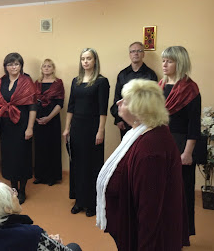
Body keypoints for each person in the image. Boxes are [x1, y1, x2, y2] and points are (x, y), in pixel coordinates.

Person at [96, 79, 189, 250]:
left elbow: (150, 210)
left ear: (138, 109)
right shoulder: (141, 132)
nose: (118, 102)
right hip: (128, 225)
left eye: (124, 100)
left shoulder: (151, 148)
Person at [62, 48, 109, 217]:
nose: (85, 61)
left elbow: (103, 109)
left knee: (92, 165)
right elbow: (71, 107)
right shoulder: (76, 81)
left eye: (89, 58)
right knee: (77, 164)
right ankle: (79, 200)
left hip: (93, 127)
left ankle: (91, 203)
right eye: (83, 59)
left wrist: (100, 131)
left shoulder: (101, 82)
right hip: (77, 127)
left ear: (95, 61)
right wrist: (67, 128)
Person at [160, 46, 201, 237]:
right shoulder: (160, 85)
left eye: (169, 61)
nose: (164, 64)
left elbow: (194, 125)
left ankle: (180, 233)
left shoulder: (190, 89)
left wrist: (187, 152)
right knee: (162, 190)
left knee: (181, 191)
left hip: (181, 144)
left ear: (180, 62)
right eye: (163, 61)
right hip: (161, 143)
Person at [0, 180, 82, 251]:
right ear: (8, 209)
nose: (16, 194)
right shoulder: (31, 234)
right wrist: (54, 244)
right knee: (74, 247)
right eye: (13, 193)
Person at [0, 53, 36, 204]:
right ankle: (13, 188)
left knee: (22, 157)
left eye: (16, 64)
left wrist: (30, 128)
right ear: (5, 67)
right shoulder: (0, 82)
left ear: (21, 65)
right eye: (10, 64)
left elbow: (32, 107)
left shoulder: (26, 81)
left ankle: (22, 190)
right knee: (9, 157)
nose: (13, 67)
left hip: (22, 124)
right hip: (6, 125)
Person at [110, 42, 158, 138]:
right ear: (129, 54)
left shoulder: (150, 74)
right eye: (133, 51)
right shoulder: (122, 74)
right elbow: (117, 97)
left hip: (144, 121)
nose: (136, 53)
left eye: (139, 51)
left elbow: (154, 99)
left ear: (143, 54)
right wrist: (118, 119)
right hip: (125, 120)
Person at [33, 59, 64, 186]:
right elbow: (32, 101)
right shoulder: (36, 83)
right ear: (41, 69)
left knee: (52, 147)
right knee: (39, 148)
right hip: (37, 119)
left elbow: (60, 104)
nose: (46, 68)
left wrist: (49, 117)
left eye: (49, 66)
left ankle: (52, 177)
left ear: (53, 68)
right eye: (44, 66)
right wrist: (34, 117)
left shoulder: (58, 83)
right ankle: (40, 176)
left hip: (52, 120)